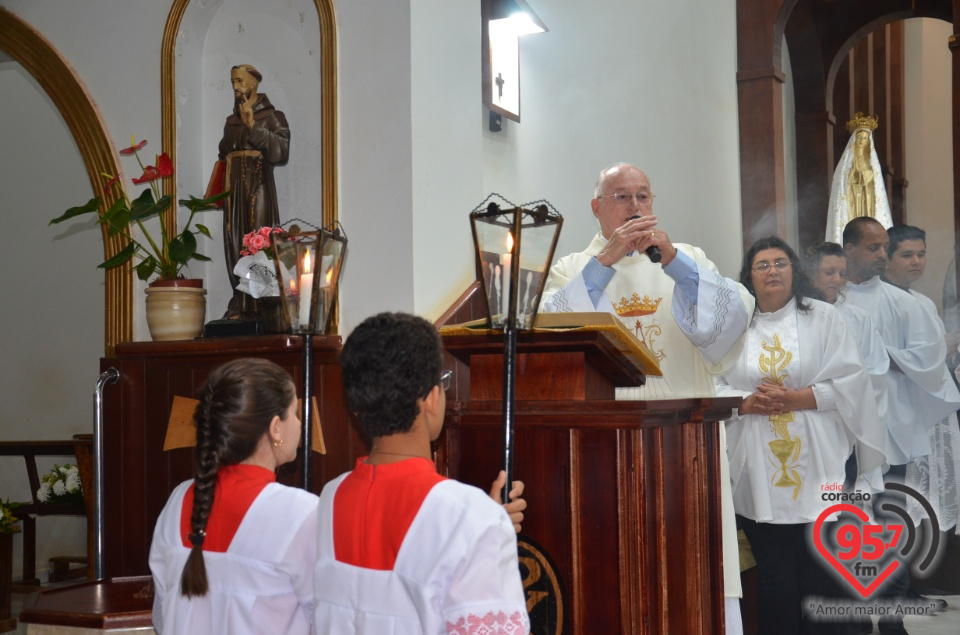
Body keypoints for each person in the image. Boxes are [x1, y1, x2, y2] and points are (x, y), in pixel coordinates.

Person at [539, 162, 754, 633]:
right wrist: (605, 264)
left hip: (687, 447)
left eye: (643, 196)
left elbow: (728, 322)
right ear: (597, 209)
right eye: (621, 197)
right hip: (608, 449)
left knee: (695, 560)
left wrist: (674, 261)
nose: (635, 207)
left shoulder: (688, 259)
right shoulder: (573, 269)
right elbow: (553, 333)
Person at [313, 312, 530, 634]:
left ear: (357, 405)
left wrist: (484, 522)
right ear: (430, 397)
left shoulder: (330, 497)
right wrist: (484, 526)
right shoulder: (470, 517)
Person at [719, 236, 883, 635]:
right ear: (749, 277)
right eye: (762, 265)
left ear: (794, 271)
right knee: (774, 575)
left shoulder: (824, 318)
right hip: (758, 465)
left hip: (818, 459)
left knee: (821, 571)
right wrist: (745, 403)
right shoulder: (734, 327)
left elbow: (853, 382)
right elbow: (714, 384)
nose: (772, 271)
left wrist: (799, 398)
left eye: (780, 263)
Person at [841, 217, 960, 634]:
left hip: (891, 433)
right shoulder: (829, 304)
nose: (881, 255)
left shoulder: (906, 304)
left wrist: (879, 357)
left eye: (883, 247)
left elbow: (930, 362)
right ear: (849, 249)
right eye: (873, 247)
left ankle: (892, 620)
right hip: (842, 436)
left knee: (891, 526)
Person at [149, 358, 318, 634]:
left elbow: (161, 615)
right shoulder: (301, 513)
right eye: (295, 413)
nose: (299, 424)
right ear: (276, 427)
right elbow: (331, 620)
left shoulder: (179, 500)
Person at [883, 225, 960, 542]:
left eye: (921, 254)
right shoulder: (878, 300)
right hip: (893, 407)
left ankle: (919, 570)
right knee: (896, 495)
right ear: (886, 258)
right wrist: (940, 348)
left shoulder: (922, 301)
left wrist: (943, 352)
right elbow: (885, 358)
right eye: (907, 254)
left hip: (922, 409)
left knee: (923, 493)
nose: (916, 261)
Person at [803, 241, 889, 491]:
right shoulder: (797, 315)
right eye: (829, 272)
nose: (838, 280)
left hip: (849, 419)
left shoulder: (858, 318)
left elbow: (876, 371)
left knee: (846, 490)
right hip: (808, 414)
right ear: (809, 274)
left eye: (842, 273)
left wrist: (843, 389)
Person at [218, 64, 291, 317]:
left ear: (253, 83)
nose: (236, 87)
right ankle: (240, 302)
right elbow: (223, 153)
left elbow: (280, 152)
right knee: (234, 240)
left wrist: (253, 127)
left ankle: (262, 304)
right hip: (233, 188)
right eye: (232, 82)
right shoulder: (230, 121)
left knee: (257, 238)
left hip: (258, 186)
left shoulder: (272, 116)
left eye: (240, 81)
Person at [824, 114, 893, 245]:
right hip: (852, 201)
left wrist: (867, 179)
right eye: (859, 138)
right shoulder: (846, 165)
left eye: (865, 138)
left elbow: (877, 189)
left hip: (867, 201)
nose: (861, 141)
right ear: (854, 140)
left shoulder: (872, 165)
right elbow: (841, 190)